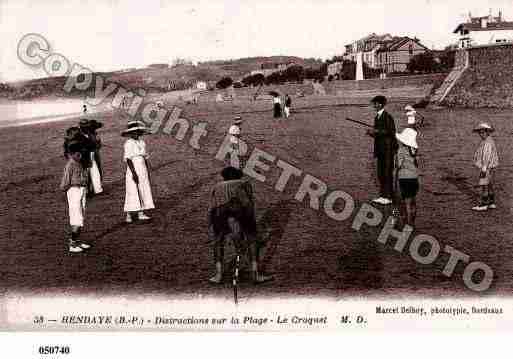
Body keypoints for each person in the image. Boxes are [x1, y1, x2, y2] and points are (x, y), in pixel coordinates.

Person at [208, 167, 273, 284]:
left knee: (218, 242)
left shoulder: (216, 186)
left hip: (220, 213)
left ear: (224, 176)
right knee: (252, 240)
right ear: (238, 175)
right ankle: (255, 274)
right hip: (240, 210)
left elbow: (212, 207)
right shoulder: (244, 183)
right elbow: (248, 203)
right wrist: (249, 226)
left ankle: (218, 275)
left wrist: (213, 224)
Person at [59, 141, 92, 253]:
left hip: (81, 189)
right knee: (76, 217)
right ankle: (72, 244)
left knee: (81, 216)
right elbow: (65, 182)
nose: (80, 156)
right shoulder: (70, 165)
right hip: (74, 190)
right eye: (78, 154)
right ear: (71, 154)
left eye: (81, 154)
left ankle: (77, 240)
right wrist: (67, 190)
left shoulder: (79, 163)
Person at [366, 95, 398, 205]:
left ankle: (388, 197)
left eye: (375, 103)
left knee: (387, 173)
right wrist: (372, 133)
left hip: (388, 150)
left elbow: (390, 132)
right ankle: (384, 196)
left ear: (380, 104)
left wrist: (376, 132)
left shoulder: (387, 117)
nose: (374, 105)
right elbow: (380, 134)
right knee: (380, 173)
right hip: (381, 150)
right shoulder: (377, 117)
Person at [122, 121, 155, 223]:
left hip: (142, 168)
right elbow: (128, 159)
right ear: (130, 134)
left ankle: (141, 212)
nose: (135, 134)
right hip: (134, 168)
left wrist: (147, 170)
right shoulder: (128, 143)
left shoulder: (142, 142)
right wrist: (134, 173)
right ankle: (129, 215)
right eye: (133, 132)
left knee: (142, 188)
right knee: (132, 190)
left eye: (137, 132)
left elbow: (144, 157)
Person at [472, 122, 499, 211]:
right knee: (490, 184)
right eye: (480, 132)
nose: (481, 134)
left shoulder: (487, 143)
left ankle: (483, 204)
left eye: (483, 132)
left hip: (486, 167)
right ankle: (491, 202)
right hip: (491, 167)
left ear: (487, 132)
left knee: (484, 185)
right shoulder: (490, 140)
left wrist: (484, 167)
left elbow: (486, 156)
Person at [395, 128, 419, 227]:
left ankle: (408, 225)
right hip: (414, 178)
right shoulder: (415, 150)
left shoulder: (401, 151)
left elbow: (399, 165)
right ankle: (412, 223)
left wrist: (396, 163)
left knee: (406, 203)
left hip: (404, 179)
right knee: (413, 202)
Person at [79, 119, 103, 196]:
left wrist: (97, 145)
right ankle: (87, 190)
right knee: (86, 173)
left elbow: (98, 144)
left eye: (87, 127)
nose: (86, 128)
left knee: (95, 171)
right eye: (84, 127)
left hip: (93, 154)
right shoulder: (79, 136)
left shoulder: (91, 134)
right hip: (84, 156)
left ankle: (94, 189)